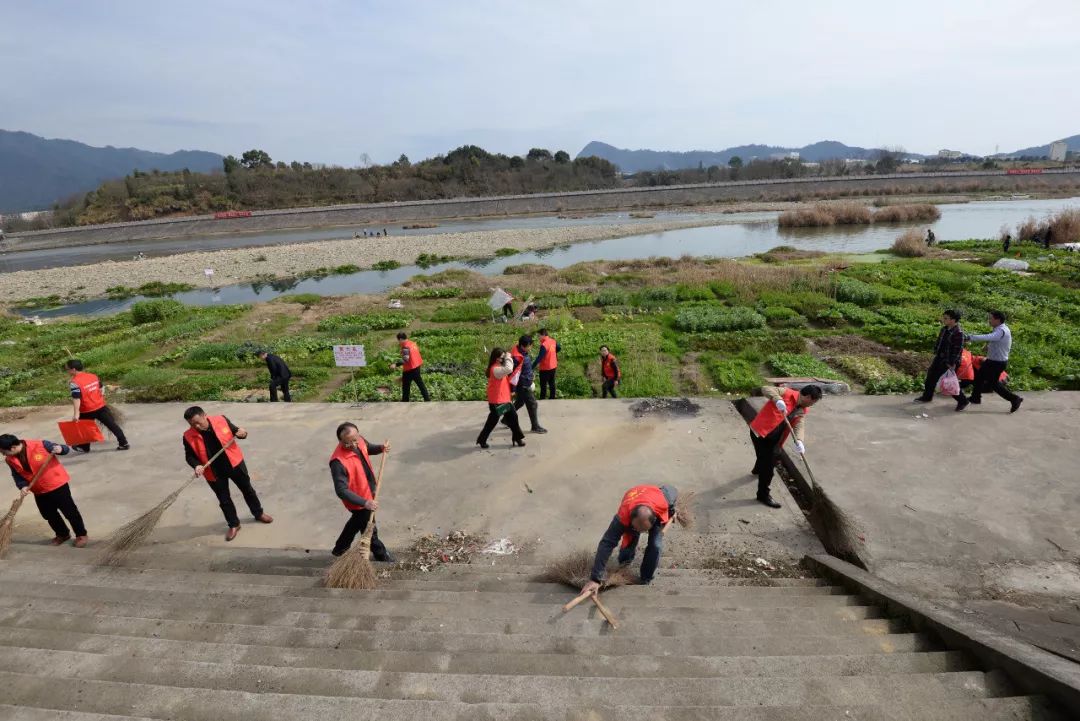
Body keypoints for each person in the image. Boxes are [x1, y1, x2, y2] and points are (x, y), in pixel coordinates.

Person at [182, 406, 273, 541]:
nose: (195, 426)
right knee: (224, 499)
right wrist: (197, 465)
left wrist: (243, 433)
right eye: (191, 424)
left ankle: (258, 513)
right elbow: (189, 456)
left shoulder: (221, 420)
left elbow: (237, 432)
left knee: (247, 490)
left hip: (234, 463)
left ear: (204, 415)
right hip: (213, 471)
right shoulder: (188, 436)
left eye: (198, 422)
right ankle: (234, 524)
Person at [581, 484, 679, 595]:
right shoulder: (622, 518)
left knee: (656, 545)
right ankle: (625, 563)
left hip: (652, 498)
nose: (642, 532)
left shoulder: (664, 499)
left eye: (644, 530)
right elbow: (606, 543)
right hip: (633, 501)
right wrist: (595, 579)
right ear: (630, 520)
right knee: (630, 538)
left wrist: (672, 511)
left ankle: (645, 578)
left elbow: (673, 490)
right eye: (638, 528)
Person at [1, 434, 87, 547]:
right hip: (39, 490)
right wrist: (22, 486)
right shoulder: (10, 459)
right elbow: (16, 475)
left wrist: (61, 449)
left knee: (70, 511)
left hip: (57, 485)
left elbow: (64, 449)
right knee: (48, 514)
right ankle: (63, 534)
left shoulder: (40, 445)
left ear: (12, 448)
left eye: (3, 451)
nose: (3, 454)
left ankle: (81, 534)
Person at [749, 385, 822, 508]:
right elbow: (766, 388)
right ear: (808, 397)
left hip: (775, 439)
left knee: (767, 461)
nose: (812, 405)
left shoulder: (802, 409)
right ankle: (763, 495)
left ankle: (759, 471)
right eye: (813, 402)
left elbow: (799, 425)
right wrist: (777, 399)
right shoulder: (786, 393)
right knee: (766, 462)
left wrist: (799, 441)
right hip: (760, 432)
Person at [329, 422, 394, 560]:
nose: (353, 445)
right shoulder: (338, 462)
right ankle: (382, 556)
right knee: (370, 529)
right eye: (348, 443)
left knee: (356, 522)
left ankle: (340, 548)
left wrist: (381, 448)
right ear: (340, 441)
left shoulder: (359, 440)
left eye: (355, 440)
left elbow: (368, 448)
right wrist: (365, 503)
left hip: (369, 491)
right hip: (357, 499)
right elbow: (341, 490)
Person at [963, 310, 1023, 413]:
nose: (989, 320)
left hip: (997, 363)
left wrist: (970, 337)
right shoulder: (999, 329)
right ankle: (975, 398)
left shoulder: (1001, 330)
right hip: (992, 361)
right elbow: (994, 339)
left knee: (994, 384)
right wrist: (988, 346)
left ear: (998, 320)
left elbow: (990, 337)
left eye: (991, 318)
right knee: (978, 377)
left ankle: (1014, 399)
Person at [65, 359, 129, 452]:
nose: (67, 371)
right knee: (112, 425)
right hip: (101, 406)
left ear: (73, 369)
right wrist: (100, 397)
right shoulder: (93, 376)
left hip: (87, 410)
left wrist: (76, 414)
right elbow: (101, 387)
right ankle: (124, 443)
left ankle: (84, 447)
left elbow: (76, 398)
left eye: (67, 369)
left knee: (86, 429)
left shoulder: (74, 382)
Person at [913, 309, 968, 411]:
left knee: (948, 383)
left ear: (953, 320)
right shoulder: (944, 329)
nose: (944, 320)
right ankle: (927, 396)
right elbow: (939, 341)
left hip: (949, 362)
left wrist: (951, 363)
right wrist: (936, 351)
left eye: (946, 318)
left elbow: (958, 350)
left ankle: (963, 400)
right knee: (930, 377)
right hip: (939, 358)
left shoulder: (958, 333)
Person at [476, 348, 526, 449]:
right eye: (501, 357)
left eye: (503, 357)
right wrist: (508, 357)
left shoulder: (499, 366)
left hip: (505, 399)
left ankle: (517, 438)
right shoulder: (495, 369)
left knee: (513, 419)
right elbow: (509, 369)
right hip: (496, 401)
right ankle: (482, 440)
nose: (503, 359)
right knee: (491, 423)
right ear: (496, 358)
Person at [511, 335, 546, 433]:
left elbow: (524, 369)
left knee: (520, 402)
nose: (531, 347)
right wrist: (513, 389)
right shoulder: (517, 358)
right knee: (533, 404)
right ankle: (535, 427)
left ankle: (506, 419)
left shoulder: (521, 352)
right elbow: (513, 374)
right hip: (523, 385)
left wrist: (530, 375)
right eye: (530, 345)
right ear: (524, 345)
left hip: (525, 382)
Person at [396, 332, 430, 402]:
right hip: (417, 366)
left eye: (399, 340)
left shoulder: (405, 346)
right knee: (420, 384)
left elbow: (405, 359)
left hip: (410, 369)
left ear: (401, 339)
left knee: (406, 386)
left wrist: (395, 364)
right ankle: (427, 399)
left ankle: (405, 401)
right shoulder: (412, 343)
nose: (399, 342)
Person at [536, 328, 561, 399]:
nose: (538, 337)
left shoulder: (544, 345)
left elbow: (539, 358)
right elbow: (559, 347)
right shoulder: (553, 341)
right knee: (552, 383)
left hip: (545, 368)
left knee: (543, 385)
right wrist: (553, 352)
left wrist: (532, 367)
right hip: (553, 366)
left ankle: (542, 399)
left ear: (543, 335)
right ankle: (552, 398)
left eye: (539, 336)